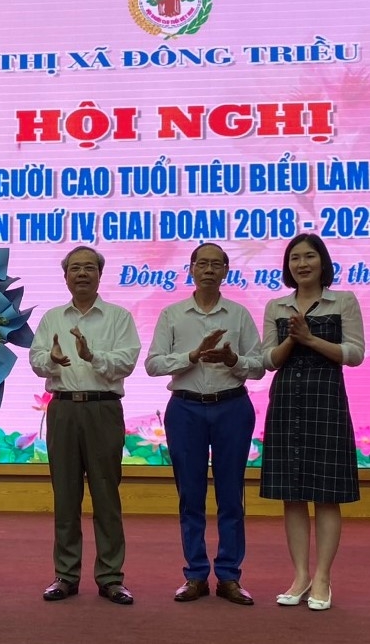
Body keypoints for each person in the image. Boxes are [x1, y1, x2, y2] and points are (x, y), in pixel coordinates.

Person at [145, 243, 264, 606]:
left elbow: (259, 366)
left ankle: (229, 576)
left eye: (216, 264)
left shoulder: (239, 314)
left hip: (232, 408)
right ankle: (195, 574)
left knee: (231, 496)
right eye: (202, 264)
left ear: (226, 271)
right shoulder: (173, 314)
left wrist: (233, 360)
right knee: (190, 495)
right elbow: (153, 364)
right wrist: (193, 356)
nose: (209, 270)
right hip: (186, 409)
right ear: (191, 269)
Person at [29, 246, 141, 605]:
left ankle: (111, 577)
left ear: (99, 274)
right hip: (63, 409)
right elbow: (36, 359)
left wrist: (92, 356)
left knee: (106, 496)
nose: (81, 274)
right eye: (75, 268)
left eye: (89, 268)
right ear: (65, 277)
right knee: (65, 496)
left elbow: (127, 361)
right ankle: (65, 575)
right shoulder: (52, 318)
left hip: (103, 408)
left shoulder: (119, 317)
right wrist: (52, 359)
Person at [259, 233, 365, 611]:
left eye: (309, 257)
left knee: (326, 494)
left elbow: (355, 353)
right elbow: (268, 360)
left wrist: (311, 339)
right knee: (292, 494)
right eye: (294, 258)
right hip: (286, 400)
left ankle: (322, 577)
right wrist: (292, 340)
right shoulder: (276, 306)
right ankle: (300, 575)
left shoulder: (343, 301)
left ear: (323, 262)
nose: (302, 264)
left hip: (327, 400)